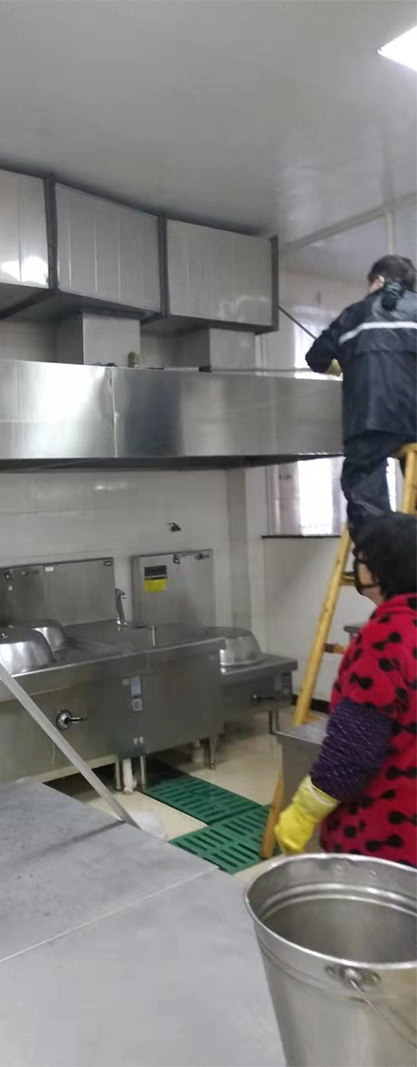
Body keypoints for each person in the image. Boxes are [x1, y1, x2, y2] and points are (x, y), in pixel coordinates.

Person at [275, 512, 417, 866]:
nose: (358, 567)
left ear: (382, 569)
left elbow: (354, 751)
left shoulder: (385, 637)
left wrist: (302, 812)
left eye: (362, 558)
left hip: (389, 835)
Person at [305, 255, 417, 534]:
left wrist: (339, 366)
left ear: (378, 281)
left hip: (369, 420)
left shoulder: (353, 315)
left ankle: (378, 556)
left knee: (367, 505)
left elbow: (315, 357)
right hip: (414, 419)